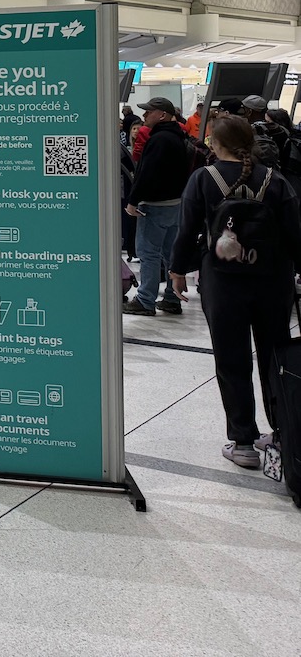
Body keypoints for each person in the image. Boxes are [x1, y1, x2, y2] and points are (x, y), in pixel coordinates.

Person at [168, 116, 301, 470]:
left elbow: (187, 230)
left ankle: (243, 441)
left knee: (232, 358)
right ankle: (283, 433)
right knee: (275, 359)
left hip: (223, 281)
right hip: (273, 281)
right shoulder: (276, 180)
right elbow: (294, 235)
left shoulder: (203, 179)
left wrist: (178, 270)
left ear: (214, 143)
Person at [123, 97, 189, 316]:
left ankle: (145, 300)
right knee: (170, 253)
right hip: (175, 204)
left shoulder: (159, 139)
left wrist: (133, 201)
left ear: (162, 114)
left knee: (149, 253)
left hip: (155, 205)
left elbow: (146, 173)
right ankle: (171, 298)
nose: (144, 116)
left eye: (149, 111)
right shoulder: (178, 136)